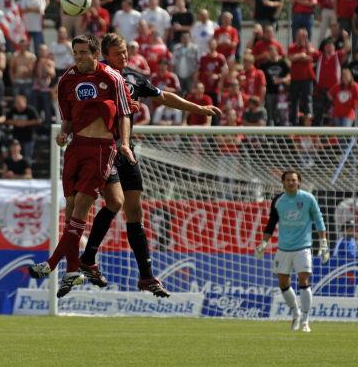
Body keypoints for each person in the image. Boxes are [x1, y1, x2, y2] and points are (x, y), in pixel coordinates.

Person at [76, 33, 221, 295]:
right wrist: (114, 105)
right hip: (102, 148)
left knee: (134, 210)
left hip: (126, 150)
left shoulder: (132, 77)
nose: (124, 57)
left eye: (125, 52)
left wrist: (199, 109)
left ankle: (146, 277)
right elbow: (84, 106)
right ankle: (86, 258)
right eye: (118, 53)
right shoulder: (95, 76)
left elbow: (163, 97)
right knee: (114, 202)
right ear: (105, 55)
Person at [27, 34, 134, 298]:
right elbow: (68, 119)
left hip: (101, 150)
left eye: (84, 52)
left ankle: (51, 264)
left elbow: (124, 114)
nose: (79, 57)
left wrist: (125, 143)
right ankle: (73, 270)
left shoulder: (112, 77)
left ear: (95, 53)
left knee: (80, 212)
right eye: (76, 53)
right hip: (75, 148)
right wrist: (63, 133)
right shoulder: (66, 80)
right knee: (72, 210)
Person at [255, 170, 329, 333]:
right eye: (287, 180)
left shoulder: (308, 198)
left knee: (303, 278)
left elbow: (318, 219)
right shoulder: (278, 200)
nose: (291, 182)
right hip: (284, 248)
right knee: (283, 282)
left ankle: (305, 320)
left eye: (294, 180)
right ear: (283, 183)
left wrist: (323, 242)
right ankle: (295, 312)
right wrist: (263, 243)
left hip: (303, 247)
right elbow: (271, 223)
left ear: (299, 182)